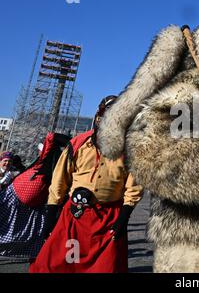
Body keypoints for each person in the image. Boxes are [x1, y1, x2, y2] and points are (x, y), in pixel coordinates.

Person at [29, 95, 144, 273]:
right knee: (56, 266)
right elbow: (59, 182)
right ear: (99, 118)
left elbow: (134, 187)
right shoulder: (77, 144)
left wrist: (123, 218)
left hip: (108, 220)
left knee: (105, 268)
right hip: (74, 216)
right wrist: (50, 217)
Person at [0, 133, 70, 258]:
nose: (39, 152)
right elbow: (51, 137)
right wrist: (73, 141)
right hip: (14, 198)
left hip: (31, 206)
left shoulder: (62, 166)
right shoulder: (44, 161)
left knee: (23, 234)